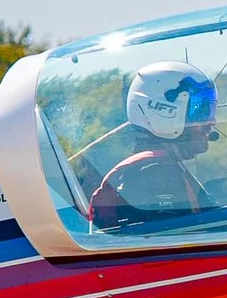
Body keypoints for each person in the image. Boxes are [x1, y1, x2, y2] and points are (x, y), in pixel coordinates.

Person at [80, 61, 219, 229]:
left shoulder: (156, 169)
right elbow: (177, 245)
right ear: (164, 111)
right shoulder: (156, 174)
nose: (212, 121)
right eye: (201, 110)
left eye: (210, 109)